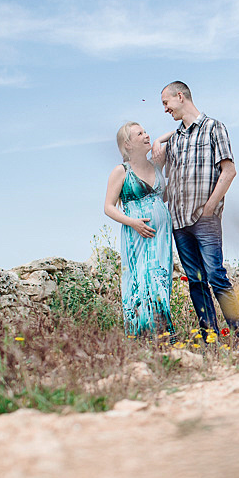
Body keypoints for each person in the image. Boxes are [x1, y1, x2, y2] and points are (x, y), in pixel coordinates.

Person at [153, 80, 239, 344]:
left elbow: (229, 171)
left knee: (216, 275)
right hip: (179, 222)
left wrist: (209, 207)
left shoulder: (213, 128)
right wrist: (160, 139)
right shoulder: (174, 140)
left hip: (205, 219)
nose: (165, 109)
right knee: (196, 282)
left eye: (166, 103)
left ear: (180, 97)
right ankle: (210, 338)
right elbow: (158, 176)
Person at [103, 121, 174, 338]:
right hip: (137, 237)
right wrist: (132, 222)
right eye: (139, 134)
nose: (146, 135)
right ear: (128, 144)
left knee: (161, 281)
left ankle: (162, 334)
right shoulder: (121, 171)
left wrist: (159, 140)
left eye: (146, 132)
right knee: (141, 282)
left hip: (161, 236)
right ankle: (142, 336)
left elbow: (173, 135)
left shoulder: (155, 165)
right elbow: (108, 207)